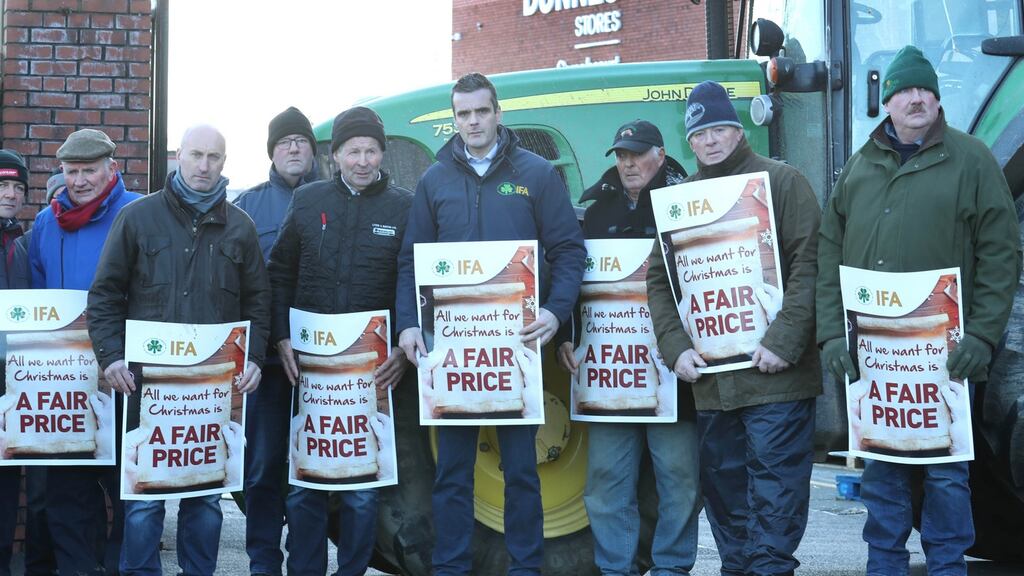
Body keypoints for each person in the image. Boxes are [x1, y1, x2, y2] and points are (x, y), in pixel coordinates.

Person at [817, 46, 1021, 576]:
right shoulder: (860, 168)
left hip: (948, 353)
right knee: (883, 467)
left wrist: (982, 337)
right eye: (904, 91)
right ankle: (884, 565)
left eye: (925, 90)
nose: (915, 99)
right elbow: (828, 253)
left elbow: (1001, 252)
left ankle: (948, 565)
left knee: (947, 472)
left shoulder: (972, 158)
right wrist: (832, 337)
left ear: (936, 99)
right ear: (886, 103)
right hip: (877, 355)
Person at [396, 72, 586, 576]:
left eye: (482, 111)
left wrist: (555, 311)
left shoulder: (538, 174)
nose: (473, 121)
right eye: (464, 114)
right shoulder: (434, 182)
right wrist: (409, 325)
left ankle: (525, 568)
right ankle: (452, 567)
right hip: (454, 355)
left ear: (498, 113)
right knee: (452, 473)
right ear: (454, 119)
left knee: (522, 471)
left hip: (518, 352)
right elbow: (412, 261)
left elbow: (569, 250)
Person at [647, 81, 821, 576]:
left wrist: (783, 341)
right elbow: (660, 282)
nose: (711, 140)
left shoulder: (782, 182)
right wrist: (675, 347)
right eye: (700, 133)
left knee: (775, 492)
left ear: (738, 129)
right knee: (725, 498)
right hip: (713, 385)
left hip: (776, 378)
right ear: (690, 142)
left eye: (720, 128)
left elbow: (811, 263)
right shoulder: (680, 202)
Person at [87, 125, 270, 576]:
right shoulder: (138, 218)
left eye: (213, 157)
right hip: (147, 388)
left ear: (224, 163)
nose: (204, 165)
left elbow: (259, 302)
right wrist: (111, 357)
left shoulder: (240, 228)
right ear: (179, 158)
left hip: (211, 394)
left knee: (205, 501)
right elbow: (105, 294)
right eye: (196, 155)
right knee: (145, 504)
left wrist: (256, 358)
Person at [267, 105, 411, 576]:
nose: (363, 160)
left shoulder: (403, 208)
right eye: (354, 151)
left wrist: (401, 355)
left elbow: (411, 285)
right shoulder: (308, 202)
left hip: (372, 373)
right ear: (336, 155)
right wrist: (282, 337)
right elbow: (280, 272)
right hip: (310, 370)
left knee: (363, 493)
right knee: (305, 488)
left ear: (382, 154)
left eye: (372, 150)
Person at [555, 120, 700, 575]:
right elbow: (579, 282)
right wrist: (568, 336)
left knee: (679, 481)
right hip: (609, 375)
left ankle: (672, 568)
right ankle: (615, 569)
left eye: (636, 154)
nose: (627, 163)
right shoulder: (596, 211)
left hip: (673, 374)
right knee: (605, 483)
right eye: (620, 155)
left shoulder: (687, 202)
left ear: (660, 154)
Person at [28, 129, 142, 576]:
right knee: (65, 494)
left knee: (127, 490)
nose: (79, 181)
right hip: (66, 381)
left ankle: (119, 568)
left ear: (111, 169)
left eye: (88, 170)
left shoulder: (137, 213)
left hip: (124, 376)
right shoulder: (45, 222)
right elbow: (39, 295)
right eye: (71, 171)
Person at [234, 106, 319, 576]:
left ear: (312, 151)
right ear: (271, 151)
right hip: (266, 363)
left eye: (301, 141)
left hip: (321, 362)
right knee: (264, 466)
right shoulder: (247, 205)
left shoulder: (333, 199)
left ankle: (307, 564)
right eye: (285, 141)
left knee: (311, 466)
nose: (293, 148)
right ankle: (263, 561)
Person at [0, 150, 30, 576]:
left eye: (18, 188)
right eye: (3, 185)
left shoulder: (23, 244)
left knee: (8, 485)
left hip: (15, 383)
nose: (10, 194)